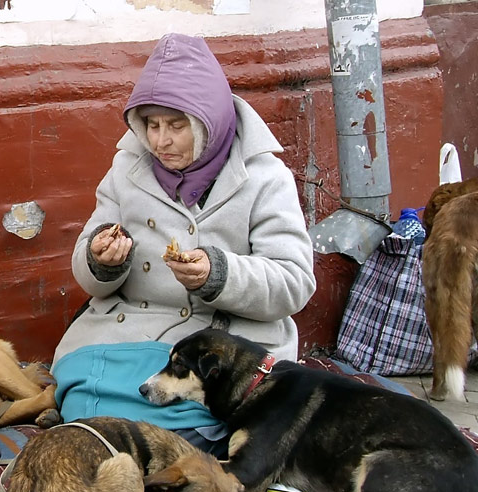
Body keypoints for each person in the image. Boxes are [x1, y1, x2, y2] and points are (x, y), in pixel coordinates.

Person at [52, 33, 316, 453]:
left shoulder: (266, 177)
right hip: (130, 330)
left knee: (188, 429)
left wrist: (220, 275)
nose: (161, 141)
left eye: (177, 126)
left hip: (219, 341)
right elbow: (89, 276)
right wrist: (101, 260)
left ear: (209, 121)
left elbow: (294, 282)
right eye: (151, 126)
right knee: (89, 411)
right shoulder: (127, 168)